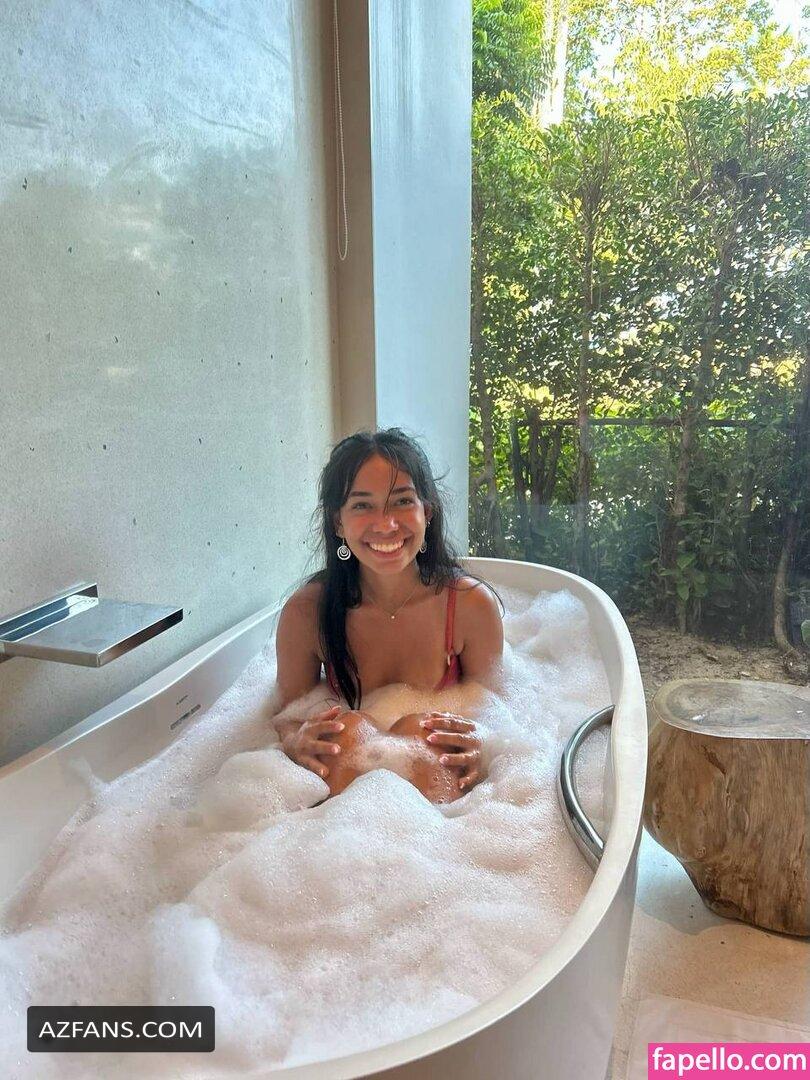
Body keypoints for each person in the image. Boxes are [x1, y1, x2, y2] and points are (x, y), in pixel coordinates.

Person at [273, 428, 504, 802]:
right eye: (362, 505)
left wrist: (484, 745)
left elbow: (499, 715)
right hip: (343, 805)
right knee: (343, 734)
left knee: (428, 734)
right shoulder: (306, 613)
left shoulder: (470, 606)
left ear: (427, 512)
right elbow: (286, 719)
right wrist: (295, 741)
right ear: (338, 522)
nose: (386, 524)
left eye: (402, 501)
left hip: (445, 811)